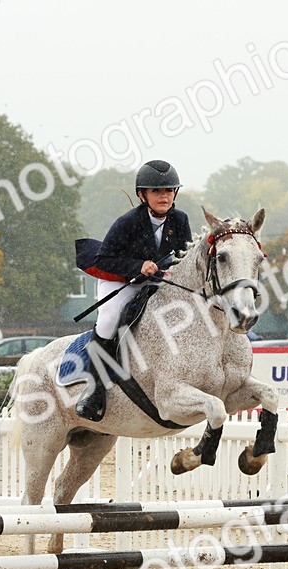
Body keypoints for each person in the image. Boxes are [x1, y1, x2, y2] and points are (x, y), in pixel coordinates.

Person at [75, 159, 192, 421]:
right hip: (120, 279)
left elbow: (185, 255)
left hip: (159, 280)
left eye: (169, 191)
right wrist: (138, 266)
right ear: (143, 194)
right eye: (157, 191)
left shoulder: (180, 219)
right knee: (108, 319)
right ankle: (94, 392)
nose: (164, 196)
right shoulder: (128, 222)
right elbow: (104, 259)